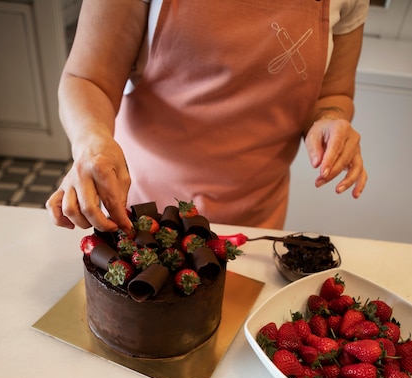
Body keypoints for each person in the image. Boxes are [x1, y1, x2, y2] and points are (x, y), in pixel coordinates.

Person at [46, 0, 369, 234]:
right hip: (141, 206)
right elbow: (88, 79)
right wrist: (93, 142)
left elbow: (334, 93)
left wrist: (329, 117)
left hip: (254, 214)